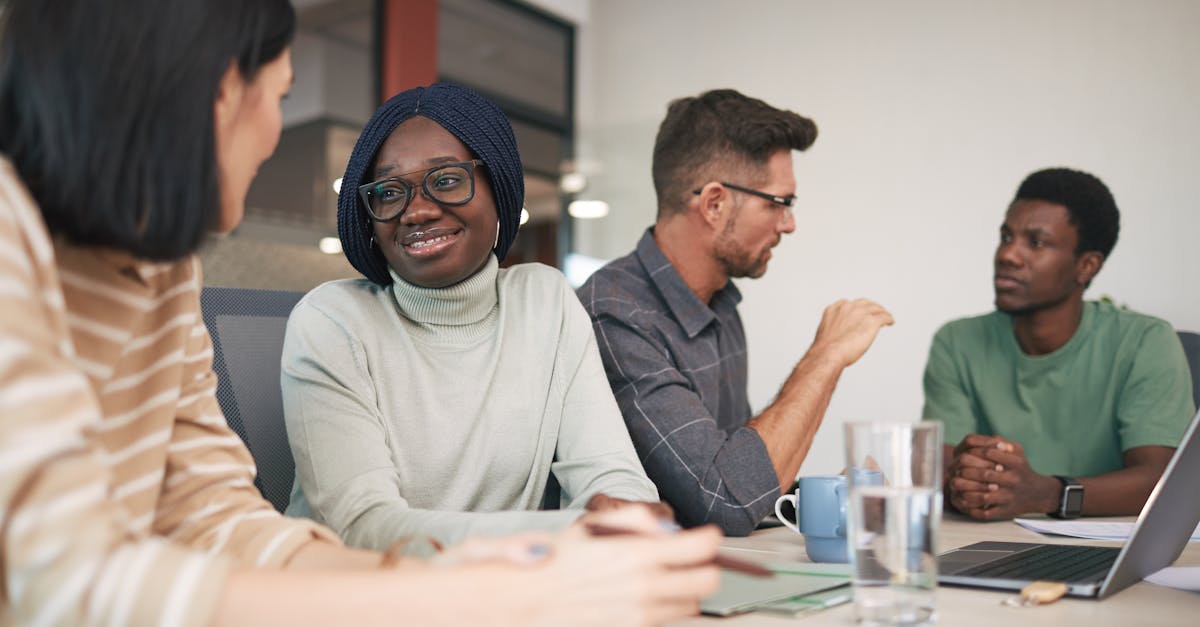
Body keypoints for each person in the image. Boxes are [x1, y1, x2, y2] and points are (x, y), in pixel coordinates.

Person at [0, 1, 720, 625]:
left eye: (447, 180)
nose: (277, 132)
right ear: (222, 93)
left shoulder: (165, 271)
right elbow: (59, 584)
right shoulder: (9, 241)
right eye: (281, 96)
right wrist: (488, 593)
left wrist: (468, 576)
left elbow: (214, 517)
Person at [281, 82, 668, 551]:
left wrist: (628, 518)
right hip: (364, 587)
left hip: (517, 582)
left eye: (446, 180)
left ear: (497, 188)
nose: (417, 212)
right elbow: (364, 528)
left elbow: (609, 471)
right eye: (389, 192)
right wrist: (569, 532)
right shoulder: (332, 322)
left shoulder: (545, 302)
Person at [577, 89, 895, 536]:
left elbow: (734, 478)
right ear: (714, 204)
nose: (789, 224)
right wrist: (825, 356)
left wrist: (824, 497)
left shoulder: (722, 305)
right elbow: (724, 501)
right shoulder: (614, 316)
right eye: (778, 203)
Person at [923, 167, 1194, 521]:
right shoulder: (957, 342)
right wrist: (967, 483)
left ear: (1087, 266)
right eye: (1006, 236)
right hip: (992, 539)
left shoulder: (1145, 341)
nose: (1008, 255)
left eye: (1036, 243)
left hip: (1109, 545)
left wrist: (1048, 494)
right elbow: (942, 475)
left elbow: (1161, 481)